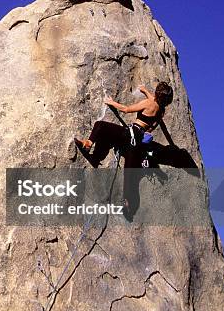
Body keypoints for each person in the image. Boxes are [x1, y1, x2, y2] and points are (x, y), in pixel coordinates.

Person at [74, 81, 174, 215]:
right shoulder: (161, 110)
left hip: (130, 134)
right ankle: (128, 204)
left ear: (157, 94)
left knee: (101, 126)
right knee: (130, 173)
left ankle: (89, 144)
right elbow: (154, 100)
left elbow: (126, 110)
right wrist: (145, 91)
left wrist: (111, 102)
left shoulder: (149, 103)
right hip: (138, 142)